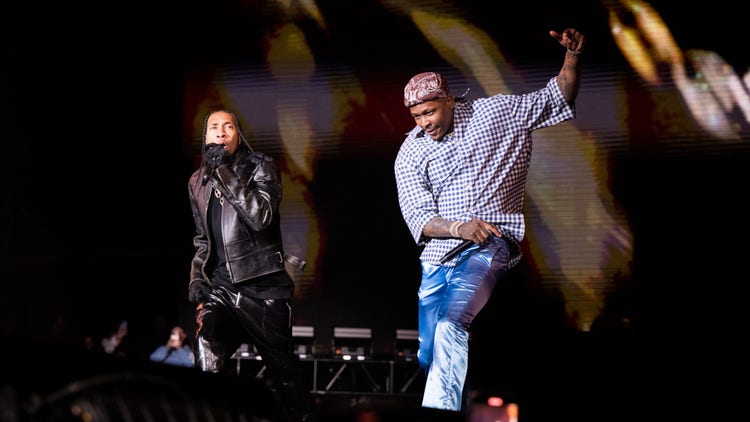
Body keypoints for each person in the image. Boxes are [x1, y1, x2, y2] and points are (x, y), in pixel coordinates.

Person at [394, 28, 585, 411]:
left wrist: (572, 58)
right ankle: (448, 396)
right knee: (429, 357)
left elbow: (556, 97)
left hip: (489, 244)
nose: (424, 123)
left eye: (429, 112)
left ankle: (440, 416)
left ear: (448, 99)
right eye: (416, 117)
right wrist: (455, 227)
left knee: (452, 324)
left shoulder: (495, 114)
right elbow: (418, 215)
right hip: (436, 260)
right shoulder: (410, 153)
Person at [186, 108, 315, 422]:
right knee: (207, 347)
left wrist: (226, 172)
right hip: (222, 286)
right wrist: (196, 279)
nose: (220, 132)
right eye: (213, 127)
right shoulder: (196, 182)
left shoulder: (261, 166)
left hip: (263, 286)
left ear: (237, 134)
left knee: (285, 375)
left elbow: (260, 216)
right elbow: (202, 238)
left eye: (227, 126)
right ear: (205, 137)